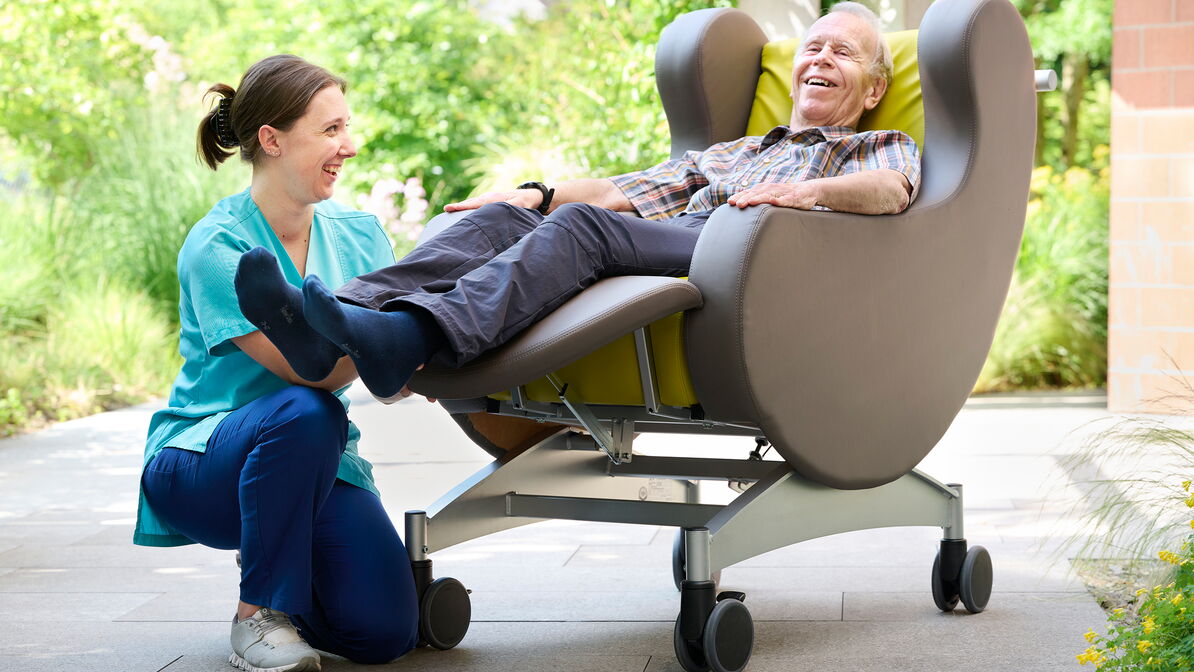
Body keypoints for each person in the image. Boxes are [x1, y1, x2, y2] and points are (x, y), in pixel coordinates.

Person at [234, 2, 919, 408]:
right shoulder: (734, 151)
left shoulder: (875, 146)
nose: (822, 57)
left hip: (754, 256)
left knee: (585, 230)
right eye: (813, 46)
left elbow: (892, 192)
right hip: (688, 235)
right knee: (507, 219)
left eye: (845, 52)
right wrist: (529, 194)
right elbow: (626, 189)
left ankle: (405, 338)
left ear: (872, 88)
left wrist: (808, 192)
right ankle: (337, 319)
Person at [135, 55, 418, 672]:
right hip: (204, 458)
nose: (350, 144)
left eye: (347, 126)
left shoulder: (362, 233)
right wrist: (382, 354)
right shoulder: (221, 246)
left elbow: (395, 381)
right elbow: (304, 375)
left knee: (383, 634)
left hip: (318, 463)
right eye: (332, 130)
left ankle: (280, 554)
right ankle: (257, 616)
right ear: (272, 139)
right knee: (308, 406)